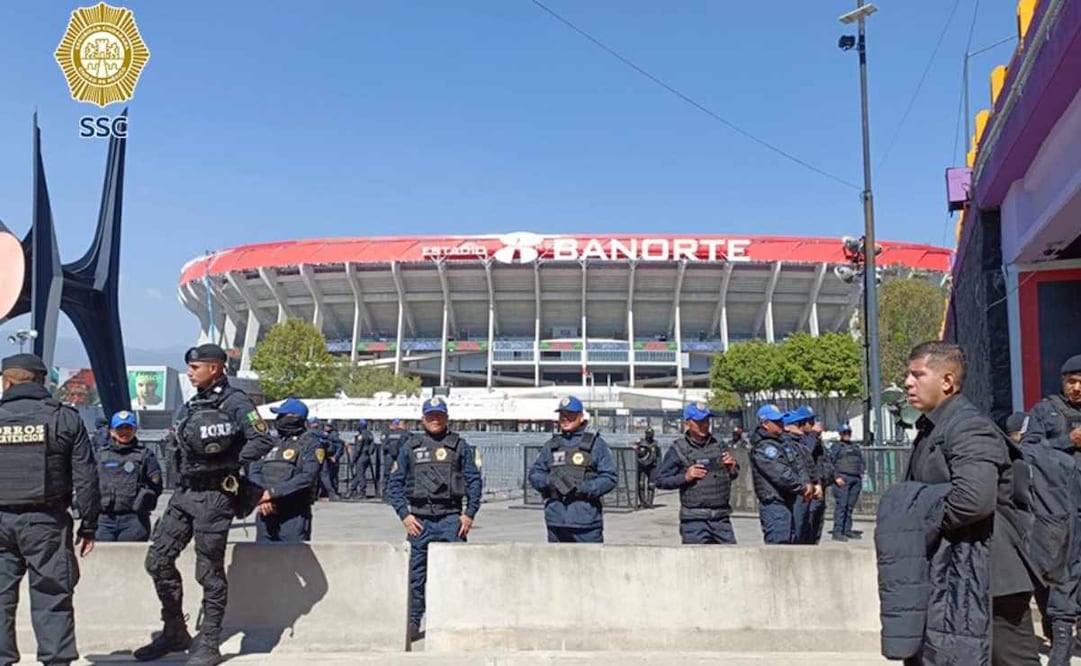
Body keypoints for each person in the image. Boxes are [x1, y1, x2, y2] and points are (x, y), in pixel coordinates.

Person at [134, 344, 274, 665]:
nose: (190, 372)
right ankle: (175, 632)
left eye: (195, 367)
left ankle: (209, 641)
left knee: (208, 570)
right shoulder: (194, 402)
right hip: (183, 494)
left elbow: (263, 439)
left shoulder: (236, 402)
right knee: (157, 561)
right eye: (190, 367)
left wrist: (225, 461)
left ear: (215, 368)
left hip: (215, 496)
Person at [902, 341, 1038, 665]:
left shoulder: (968, 426)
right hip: (957, 572)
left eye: (917, 374)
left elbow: (973, 500)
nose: (907, 382)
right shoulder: (935, 427)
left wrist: (913, 523)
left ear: (947, 381)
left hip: (993, 579)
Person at [0, 353, 99, 666]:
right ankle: (56, 661)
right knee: (52, 595)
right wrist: (90, 525)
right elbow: (86, 477)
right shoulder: (65, 418)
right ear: (43, 381)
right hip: (46, 523)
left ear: (7, 381)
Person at [387, 396, 482, 640]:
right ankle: (413, 622)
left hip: (451, 519)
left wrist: (469, 514)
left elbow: (474, 481)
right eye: (431, 416)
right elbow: (394, 485)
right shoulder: (411, 446)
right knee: (416, 578)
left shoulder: (460, 445)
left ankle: (455, 619)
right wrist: (404, 515)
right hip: (418, 521)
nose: (435, 419)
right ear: (423, 419)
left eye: (439, 415)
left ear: (446, 417)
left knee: (456, 573)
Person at [1008, 410, 1081, 665]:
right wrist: (1068, 441)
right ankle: (1060, 646)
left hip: (1057, 519)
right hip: (1062, 516)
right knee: (1063, 578)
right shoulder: (1048, 413)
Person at [528, 396, 617, 543]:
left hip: (586, 522)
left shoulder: (596, 444)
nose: (565, 418)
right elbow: (535, 474)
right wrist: (550, 481)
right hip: (556, 521)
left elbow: (610, 477)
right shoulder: (551, 445)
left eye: (570, 414)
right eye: (562, 415)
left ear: (581, 417)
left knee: (589, 564)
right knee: (557, 565)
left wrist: (583, 488)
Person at [654, 402, 739, 544]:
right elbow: (660, 480)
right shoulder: (679, 449)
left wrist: (731, 467)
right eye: (699, 421)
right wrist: (685, 477)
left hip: (721, 519)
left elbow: (733, 473)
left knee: (730, 561)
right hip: (694, 521)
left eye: (706, 421)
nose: (704, 425)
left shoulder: (719, 445)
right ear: (688, 423)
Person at [248, 398, 325, 543]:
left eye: (282, 416)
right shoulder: (271, 443)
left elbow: (307, 477)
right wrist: (262, 496)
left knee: (292, 562)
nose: (278, 420)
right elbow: (254, 470)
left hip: (293, 514)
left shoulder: (310, 444)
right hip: (266, 510)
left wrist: (272, 493)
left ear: (294, 418)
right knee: (263, 561)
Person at [96, 410, 163, 542]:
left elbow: (156, 486)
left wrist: (146, 498)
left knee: (132, 560)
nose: (124, 432)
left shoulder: (145, 455)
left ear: (134, 430)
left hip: (134, 520)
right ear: (112, 431)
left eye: (128, 428)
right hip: (105, 521)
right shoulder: (101, 455)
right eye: (120, 428)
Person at [749, 404, 811, 545]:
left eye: (780, 420)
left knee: (792, 543)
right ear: (765, 424)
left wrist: (806, 483)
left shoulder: (784, 443)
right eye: (776, 421)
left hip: (788, 502)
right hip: (774, 505)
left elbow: (799, 464)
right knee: (779, 547)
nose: (780, 424)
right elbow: (781, 474)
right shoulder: (763, 447)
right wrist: (802, 487)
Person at [1027, 354, 1081, 458]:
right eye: (1071, 382)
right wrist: (1069, 440)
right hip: (1061, 472)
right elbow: (1028, 450)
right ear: (1063, 381)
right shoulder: (1044, 410)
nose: (1076, 388)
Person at [828, 424, 864, 542]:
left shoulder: (855, 447)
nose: (847, 435)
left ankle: (847, 530)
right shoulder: (836, 447)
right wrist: (836, 477)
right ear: (840, 434)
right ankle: (838, 532)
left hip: (855, 479)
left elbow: (861, 462)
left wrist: (861, 474)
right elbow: (830, 464)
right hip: (842, 479)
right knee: (841, 506)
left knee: (849, 507)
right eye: (844, 433)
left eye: (848, 432)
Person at [632, 427, 661, 509]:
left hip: (652, 466)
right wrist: (636, 447)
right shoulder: (640, 442)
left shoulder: (656, 443)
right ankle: (642, 502)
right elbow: (634, 450)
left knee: (651, 485)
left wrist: (659, 466)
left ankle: (649, 502)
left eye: (651, 434)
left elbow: (659, 456)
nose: (649, 436)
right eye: (648, 434)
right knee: (641, 484)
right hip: (642, 466)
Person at [347, 419, 377, 499]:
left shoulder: (361, 436)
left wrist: (353, 459)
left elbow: (358, 449)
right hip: (367, 457)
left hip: (361, 456)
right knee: (358, 474)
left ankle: (362, 492)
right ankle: (351, 490)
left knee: (360, 475)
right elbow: (372, 446)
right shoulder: (370, 434)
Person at [381, 420, 408, 501]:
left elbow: (384, 446)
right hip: (400, 458)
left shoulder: (389, 434)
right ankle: (400, 495)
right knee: (401, 476)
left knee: (387, 476)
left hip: (389, 457)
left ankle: (385, 494)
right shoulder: (405, 434)